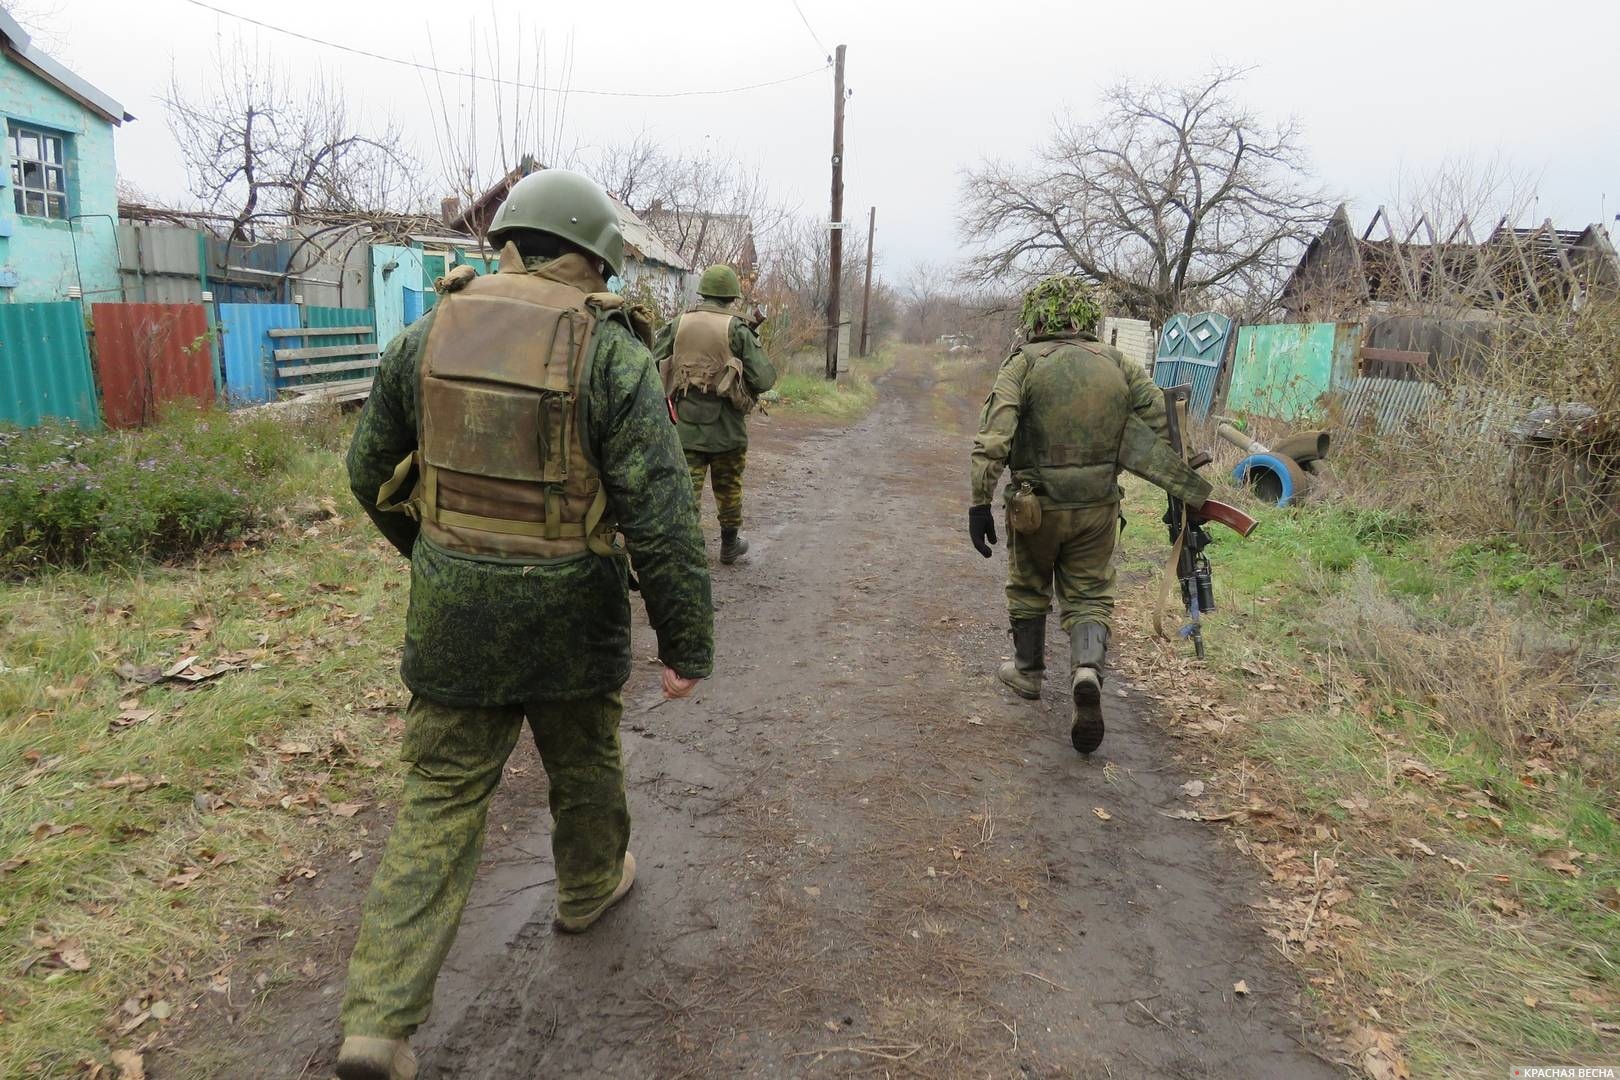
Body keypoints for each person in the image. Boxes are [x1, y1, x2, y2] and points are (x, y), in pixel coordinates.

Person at [334, 168, 714, 1080]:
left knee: (437, 803)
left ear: (506, 242)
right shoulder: (613, 354)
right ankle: (588, 889)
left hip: (454, 611)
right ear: (595, 258)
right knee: (584, 761)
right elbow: (660, 516)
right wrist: (684, 644)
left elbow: (365, 468)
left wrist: (435, 555)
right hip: (571, 609)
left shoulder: (427, 333)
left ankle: (379, 1025)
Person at [968, 276, 1211, 755]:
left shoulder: (1022, 365)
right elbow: (1164, 423)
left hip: (1034, 507)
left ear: (1036, 318)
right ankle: (1086, 671)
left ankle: (1028, 673)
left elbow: (994, 438)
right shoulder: (1117, 363)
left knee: (1029, 584)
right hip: (1099, 504)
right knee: (1090, 592)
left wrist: (980, 499)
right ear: (1085, 318)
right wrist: (1185, 482)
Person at [653, 263, 777, 564]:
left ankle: (686, 551)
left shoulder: (679, 323)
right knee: (729, 487)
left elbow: (654, 361)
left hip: (684, 425)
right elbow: (764, 379)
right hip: (727, 428)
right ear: (731, 297)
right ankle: (729, 545)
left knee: (686, 491)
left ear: (703, 292)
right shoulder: (737, 328)